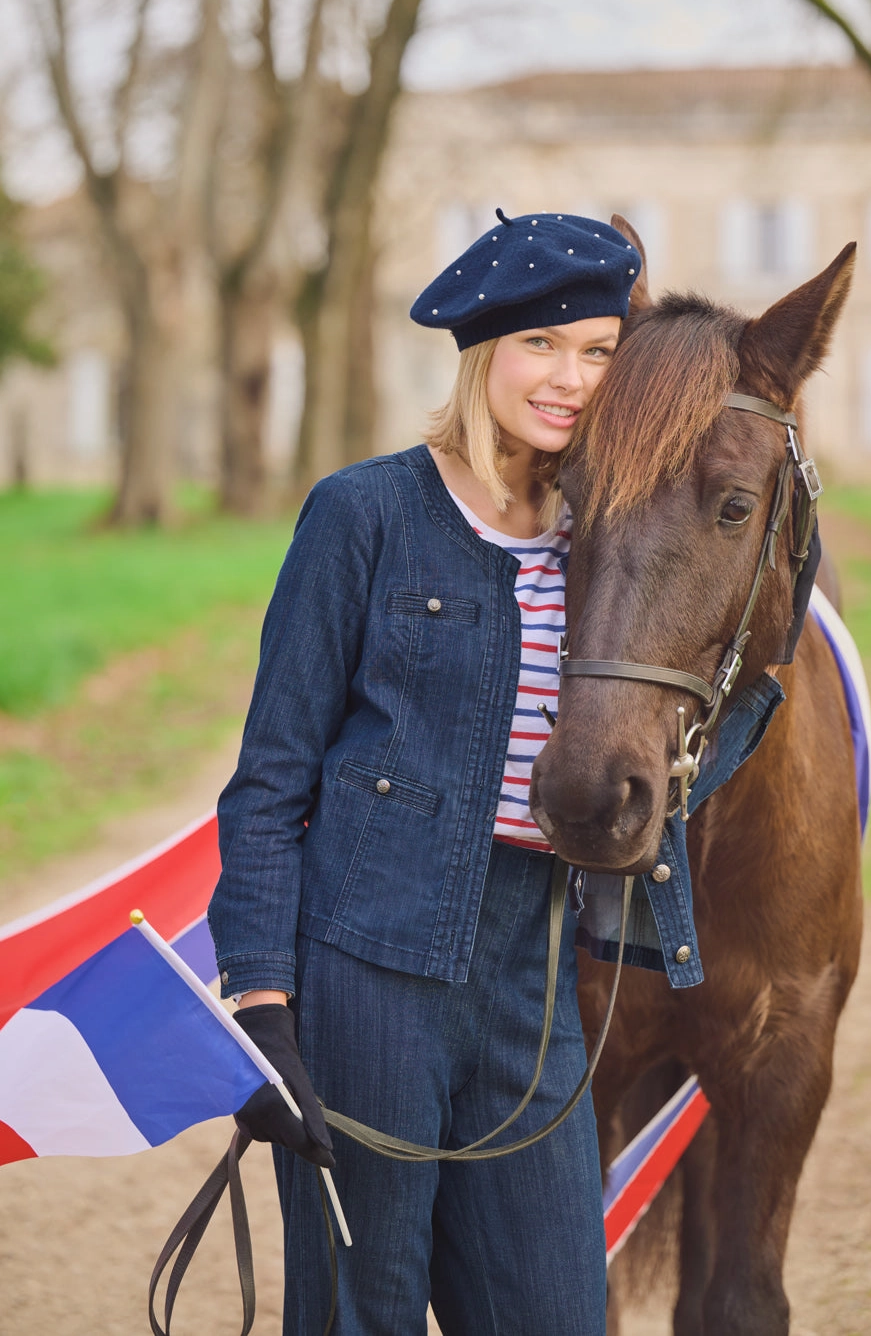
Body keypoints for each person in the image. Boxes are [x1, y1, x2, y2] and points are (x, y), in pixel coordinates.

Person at [207, 209, 644, 1336]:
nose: (571, 378)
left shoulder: (610, 537)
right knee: (368, 1310)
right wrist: (262, 1002)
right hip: (368, 966)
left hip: (533, 973)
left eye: (600, 351)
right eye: (543, 345)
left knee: (553, 1310)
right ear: (483, 350)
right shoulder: (366, 514)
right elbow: (270, 780)